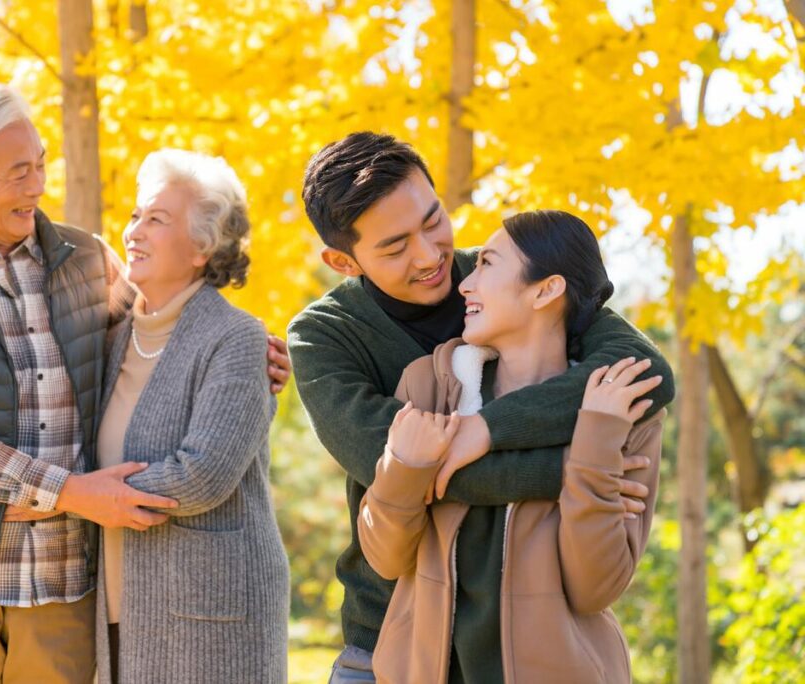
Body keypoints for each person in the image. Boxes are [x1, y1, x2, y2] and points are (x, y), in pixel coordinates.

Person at [0, 81, 290, 684]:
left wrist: (255, 359)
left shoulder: (87, 259)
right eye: (17, 172)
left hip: (63, 576)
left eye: (40, 164)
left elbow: (162, 329)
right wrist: (69, 492)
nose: (37, 185)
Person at [287, 132, 674, 682]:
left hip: (529, 646)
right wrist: (571, 470)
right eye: (395, 248)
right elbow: (396, 468)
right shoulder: (325, 336)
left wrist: (486, 431)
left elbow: (647, 372)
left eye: (433, 221)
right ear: (342, 261)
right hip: (389, 645)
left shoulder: (501, 278)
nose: (429, 257)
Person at [359, 210, 665, 683]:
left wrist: (595, 445)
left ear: (546, 290)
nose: (465, 283)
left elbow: (594, 588)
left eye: (486, 264)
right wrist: (404, 466)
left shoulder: (619, 410)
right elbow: (385, 557)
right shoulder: (429, 386)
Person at [93, 149, 290, 683]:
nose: (134, 231)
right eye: (135, 215)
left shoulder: (237, 338)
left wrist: (90, 497)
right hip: (115, 610)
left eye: (156, 219)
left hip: (210, 618)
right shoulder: (111, 338)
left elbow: (203, 475)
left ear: (203, 246)